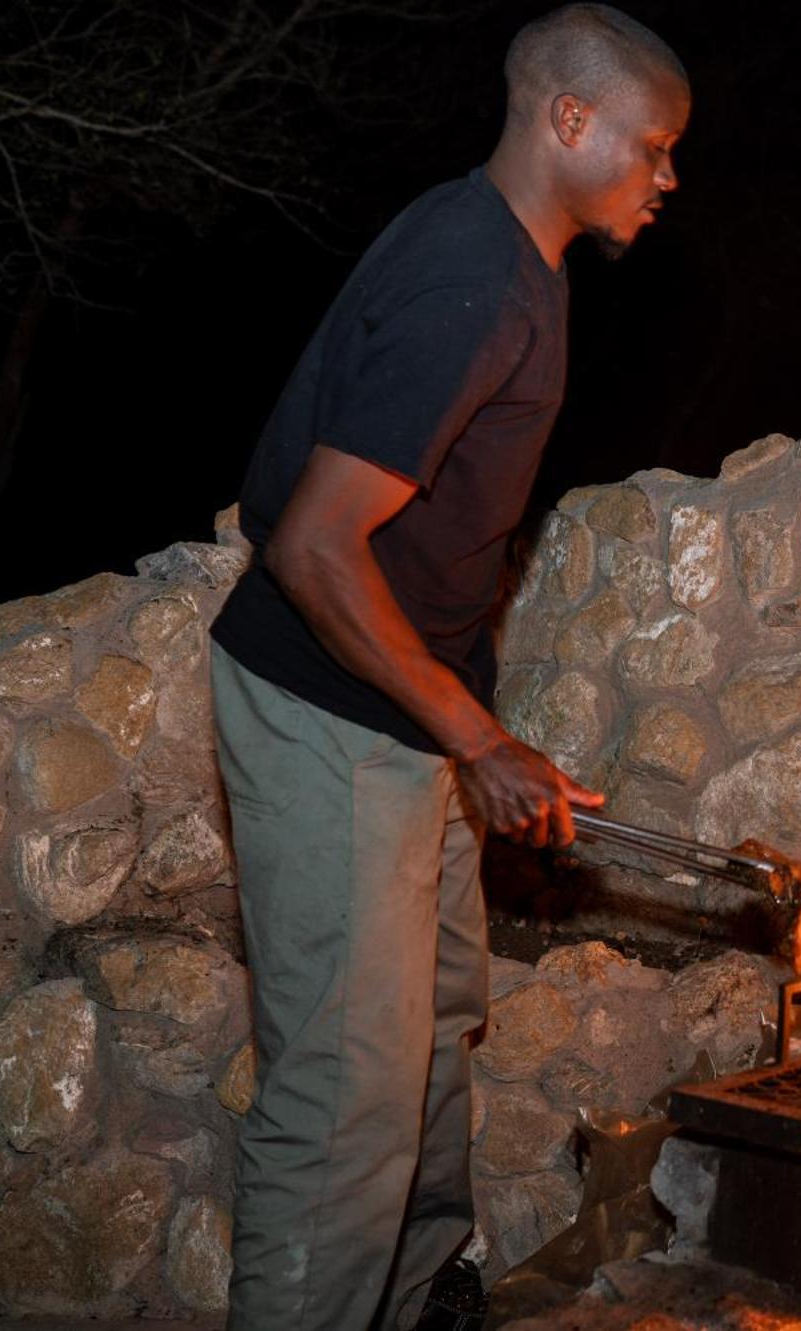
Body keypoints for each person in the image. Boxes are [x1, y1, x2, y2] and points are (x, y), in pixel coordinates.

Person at [205, 7, 688, 1328]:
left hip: (400, 719)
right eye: (654, 147)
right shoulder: (472, 284)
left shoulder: (511, 258)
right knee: (345, 1097)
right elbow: (313, 540)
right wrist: (480, 740)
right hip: (328, 714)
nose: (668, 176)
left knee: (426, 1041)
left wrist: (466, 727)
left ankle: (413, 1302)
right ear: (568, 121)